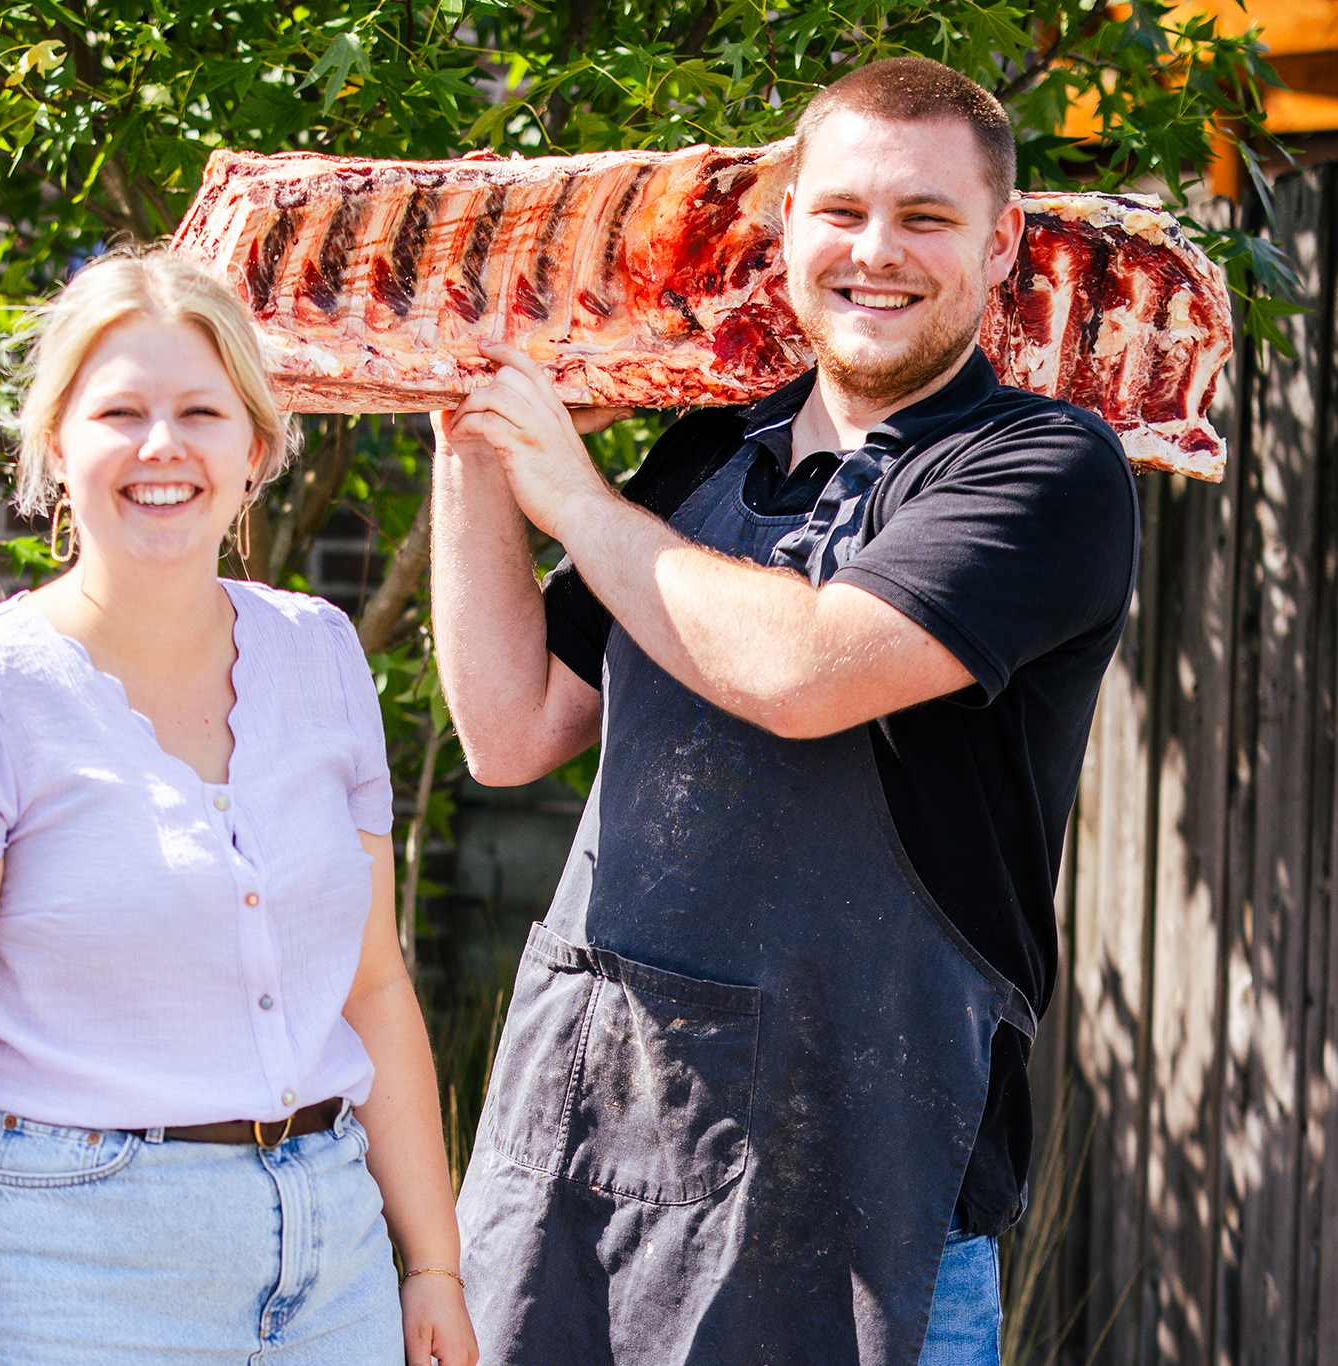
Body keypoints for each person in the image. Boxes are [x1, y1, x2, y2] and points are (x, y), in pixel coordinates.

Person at [431, 57, 1140, 1366]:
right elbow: (511, 725)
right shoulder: (707, 452)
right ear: (790, 227)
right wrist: (478, 439)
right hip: (596, 1167)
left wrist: (578, 501)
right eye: (843, 212)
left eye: (926, 217)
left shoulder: (1041, 467)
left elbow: (806, 673)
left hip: (872, 1211)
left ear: (1002, 246)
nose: (879, 252)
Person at [0, 251, 478, 1366]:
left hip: (334, 1262)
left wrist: (430, 1263)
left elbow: (372, 984)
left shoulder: (320, 654)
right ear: (54, 447)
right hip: (75, 1268)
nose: (160, 446)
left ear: (255, 451)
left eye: (198, 411)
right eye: (118, 412)